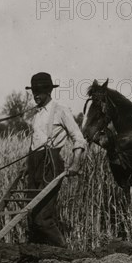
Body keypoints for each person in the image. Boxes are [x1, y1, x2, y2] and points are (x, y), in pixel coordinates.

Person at [23, 72, 86, 246]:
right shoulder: (36, 114)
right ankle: (37, 255)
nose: (36, 95)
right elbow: (35, 140)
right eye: (34, 91)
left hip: (51, 163)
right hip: (34, 162)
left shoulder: (60, 110)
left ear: (49, 91)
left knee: (43, 216)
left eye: (40, 91)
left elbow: (78, 138)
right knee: (30, 212)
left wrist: (75, 163)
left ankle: (62, 252)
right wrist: (26, 165)